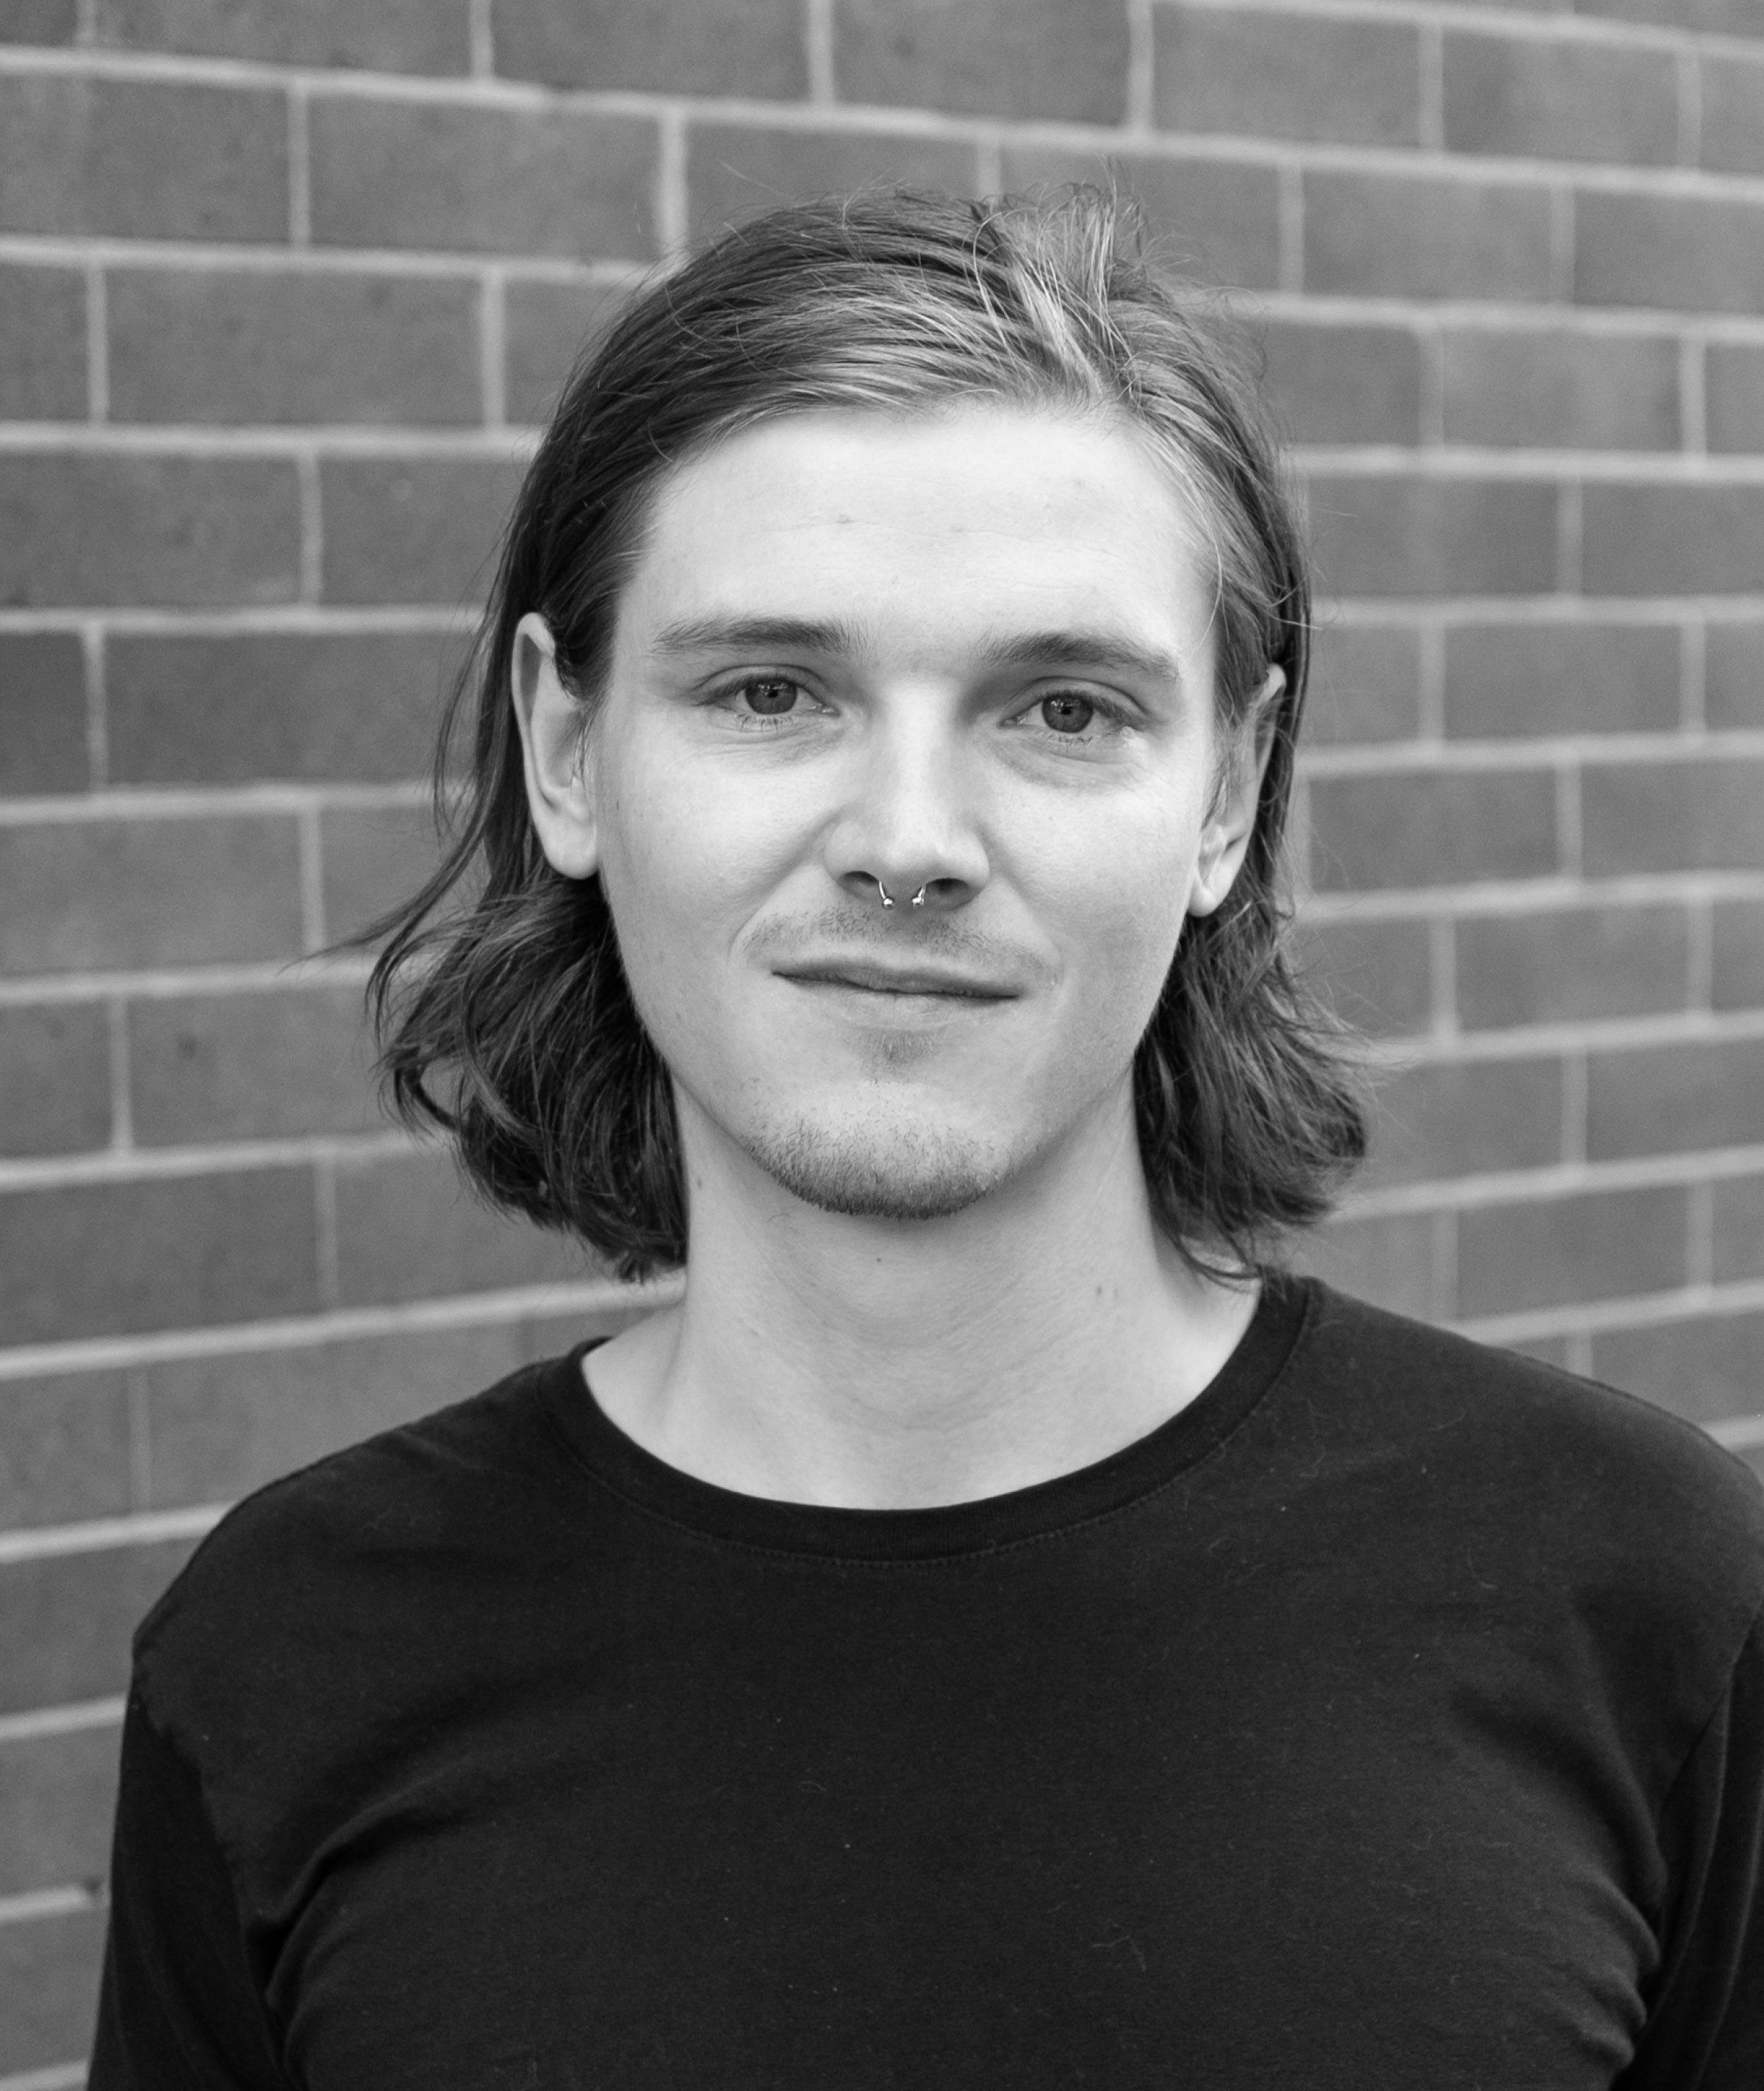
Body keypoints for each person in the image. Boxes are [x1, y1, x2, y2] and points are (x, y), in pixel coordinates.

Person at [92, 189, 1763, 2089]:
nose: (911, 837)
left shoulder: (1637, 1597)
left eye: (1062, 708)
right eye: (769, 691)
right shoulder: (293, 1655)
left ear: (1227, 792)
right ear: (568, 749)